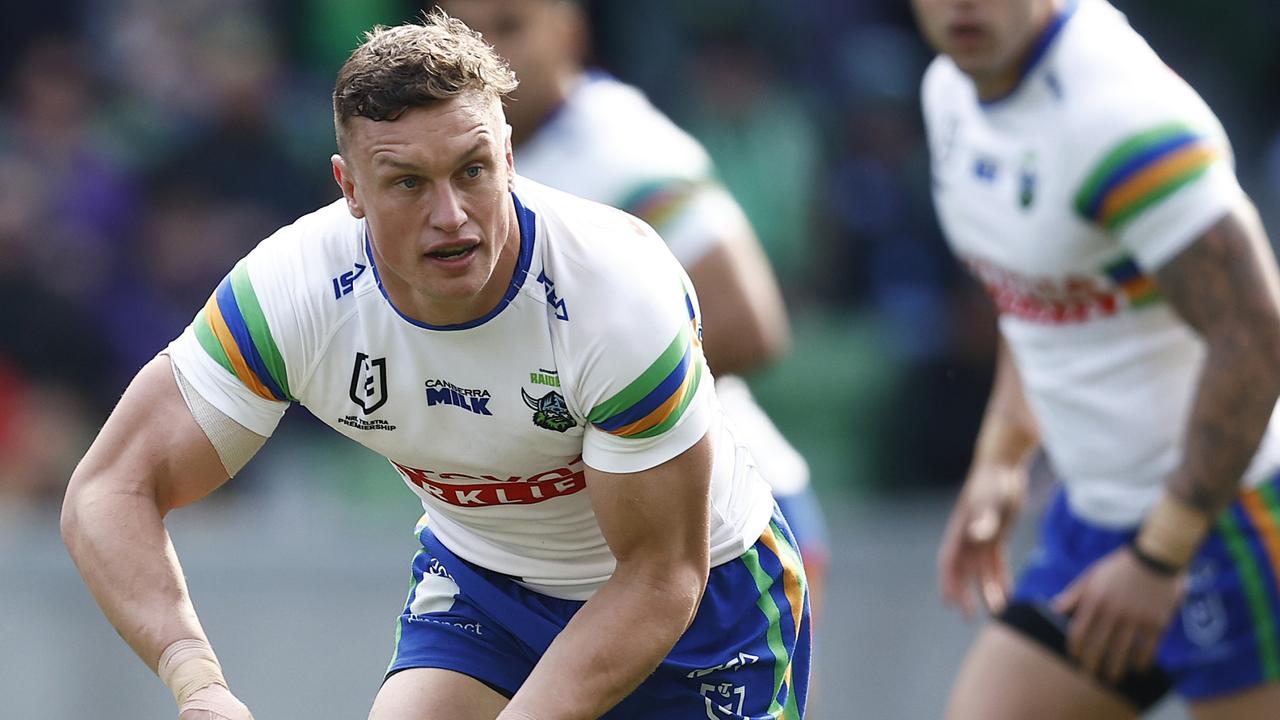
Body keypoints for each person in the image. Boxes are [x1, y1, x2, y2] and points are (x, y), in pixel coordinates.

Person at [59, 11, 809, 720]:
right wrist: (198, 682)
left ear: (508, 157)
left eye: (473, 171)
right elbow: (110, 487)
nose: (450, 215)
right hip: (487, 590)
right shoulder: (295, 290)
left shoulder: (613, 292)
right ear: (348, 188)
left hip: (703, 608)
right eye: (408, 183)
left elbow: (659, 578)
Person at [915, 0, 1280, 718]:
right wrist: (1001, 454)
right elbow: (1032, 283)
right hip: (1096, 520)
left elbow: (1257, 337)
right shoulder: (949, 91)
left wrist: (1161, 554)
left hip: (1237, 522)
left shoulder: (1120, 117)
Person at [434, 0, 830, 619]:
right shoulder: (463, 163)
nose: (481, 53)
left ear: (569, 29)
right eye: (463, 31)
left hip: (725, 524)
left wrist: (567, 406)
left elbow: (749, 325)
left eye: (510, 26)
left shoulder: (621, 148)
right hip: (597, 539)